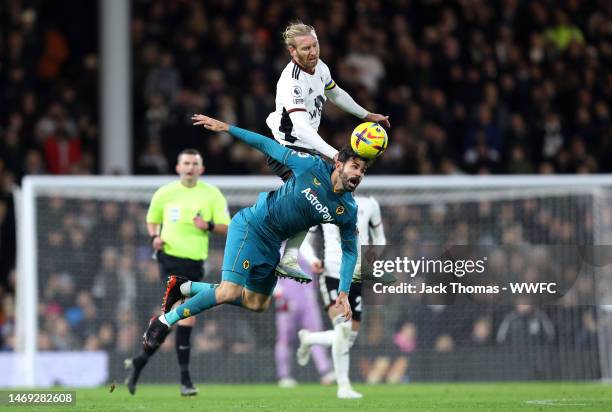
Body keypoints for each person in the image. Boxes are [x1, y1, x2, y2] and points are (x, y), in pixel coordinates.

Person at [139, 114, 369, 388]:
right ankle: (165, 320)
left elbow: (350, 251)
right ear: (339, 163)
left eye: (363, 171)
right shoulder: (311, 167)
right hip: (251, 226)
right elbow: (268, 146)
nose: (358, 174)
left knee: (257, 304)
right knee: (228, 292)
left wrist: (343, 291)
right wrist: (228, 128)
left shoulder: (347, 210)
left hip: (273, 244)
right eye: (355, 166)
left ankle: (185, 287)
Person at [265, 21, 390, 284]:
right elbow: (300, 126)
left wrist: (366, 114)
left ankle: (291, 256)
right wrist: (333, 153)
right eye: (306, 48)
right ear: (292, 51)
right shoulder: (291, 82)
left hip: (306, 148)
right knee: (319, 196)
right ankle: (286, 253)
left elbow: (336, 93)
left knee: (325, 196)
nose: (313, 51)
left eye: (315, 45)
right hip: (286, 148)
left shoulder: (320, 68)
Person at [125, 148, 230, 396]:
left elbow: (227, 226)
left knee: (172, 317)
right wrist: (154, 237)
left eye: (195, 163)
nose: (190, 167)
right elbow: (152, 219)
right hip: (169, 259)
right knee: (186, 315)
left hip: (195, 263)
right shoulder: (165, 192)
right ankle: (185, 380)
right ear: (178, 167)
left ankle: (140, 360)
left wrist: (209, 225)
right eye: (186, 163)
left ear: (201, 169)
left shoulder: (212, 194)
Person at [297, 195, 386, 399]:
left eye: (360, 168)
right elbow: (303, 242)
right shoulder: (320, 203)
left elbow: (380, 239)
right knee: (343, 330)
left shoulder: (370, 204)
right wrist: (312, 260)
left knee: (348, 339)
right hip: (331, 274)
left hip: (356, 276)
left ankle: (309, 338)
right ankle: (343, 387)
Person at [274, 277, 334, 388]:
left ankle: (326, 372)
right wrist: (278, 291)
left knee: (316, 335)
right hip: (285, 300)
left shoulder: (309, 258)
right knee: (284, 339)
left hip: (307, 301)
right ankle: (284, 376)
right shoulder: (276, 258)